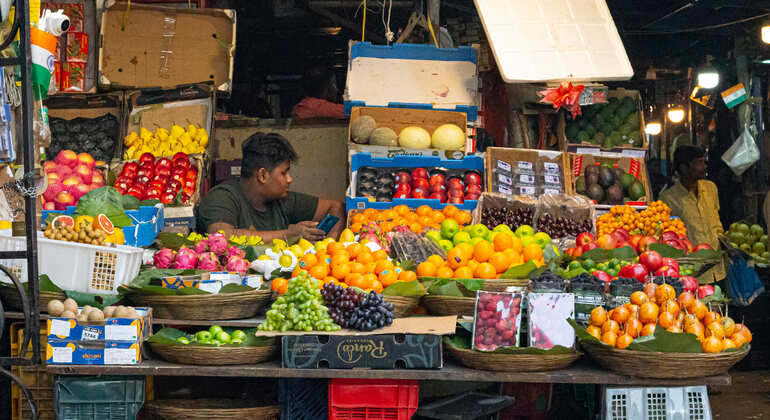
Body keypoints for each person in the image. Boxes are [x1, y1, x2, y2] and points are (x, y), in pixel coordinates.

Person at [198, 132, 345, 242]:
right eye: (284, 173)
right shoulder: (222, 197)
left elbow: (336, 207)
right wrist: (288, 234)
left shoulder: (282, 200)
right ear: (262, 175)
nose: (289, 179)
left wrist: (329, 245)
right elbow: (221, 238)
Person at [659, 145, 725, 281]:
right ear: (684, 168)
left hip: (719, 269)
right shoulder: (667, 198)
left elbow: (717, 222)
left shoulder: (711, 188)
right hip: (693, 273)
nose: (704, 166)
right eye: (698, 163)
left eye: (703, 161)